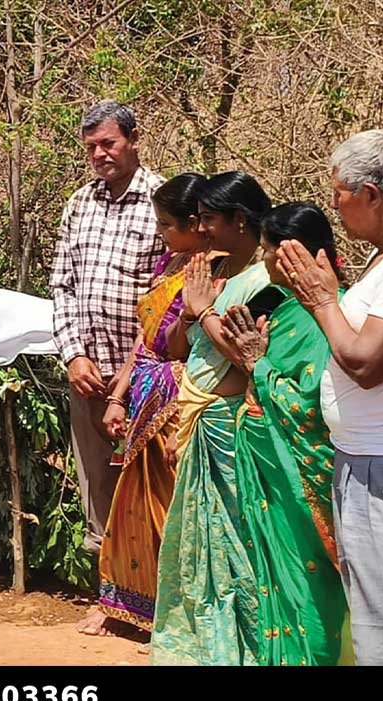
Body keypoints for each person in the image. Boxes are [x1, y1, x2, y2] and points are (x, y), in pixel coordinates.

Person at [284, 129, 383, 665]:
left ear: (370, 193)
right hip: (372, 464)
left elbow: (367, 362)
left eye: (339, 196)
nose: (336, 209)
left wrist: (323, 301)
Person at [151, 171, 276, 665]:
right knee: (199, 543)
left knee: (234, 540)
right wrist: (189, 313)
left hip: (229, 424)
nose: (201, 230)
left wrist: (204, 312)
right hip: (198, 416)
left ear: (238, 222)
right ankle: (204, 638)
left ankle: (244, 639)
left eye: (208, 219)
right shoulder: (216, 275)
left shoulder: (265, 280)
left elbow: (244, 355)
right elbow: (178, 349)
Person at [222, 203, 351, 666]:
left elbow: (309, 403)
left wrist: (258, 363)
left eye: (269, 251)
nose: (264, 262)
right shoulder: (287, 313)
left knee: (310, 587)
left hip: (302, 482)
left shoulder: (321, 319)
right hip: (273, 477)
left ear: (291, 253)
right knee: (279, 583)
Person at [80, 173, 208, 638]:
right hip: (145, 391)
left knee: (176, 508)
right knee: (134, 506)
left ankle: (181, 614)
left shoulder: (213, 271)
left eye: (167, 225)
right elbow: (143, 337)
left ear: (197, 223)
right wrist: (119, 394)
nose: (160, 234)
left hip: (178, 397)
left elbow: (180, 346)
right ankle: (129, 606)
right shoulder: (169, 264)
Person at [51, 100, 165, 561]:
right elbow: (62, 286)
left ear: (134, 140)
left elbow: (169, 296)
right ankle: (108, 594)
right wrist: (74, 355)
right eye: (91, 147)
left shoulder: (163, 201)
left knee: (151, 486)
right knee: (97, 482)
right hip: (89, 373)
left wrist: (135, 368)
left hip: (147, 375)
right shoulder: (80, 203)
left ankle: (155, 598)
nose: (100, 155)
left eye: (108, 144)